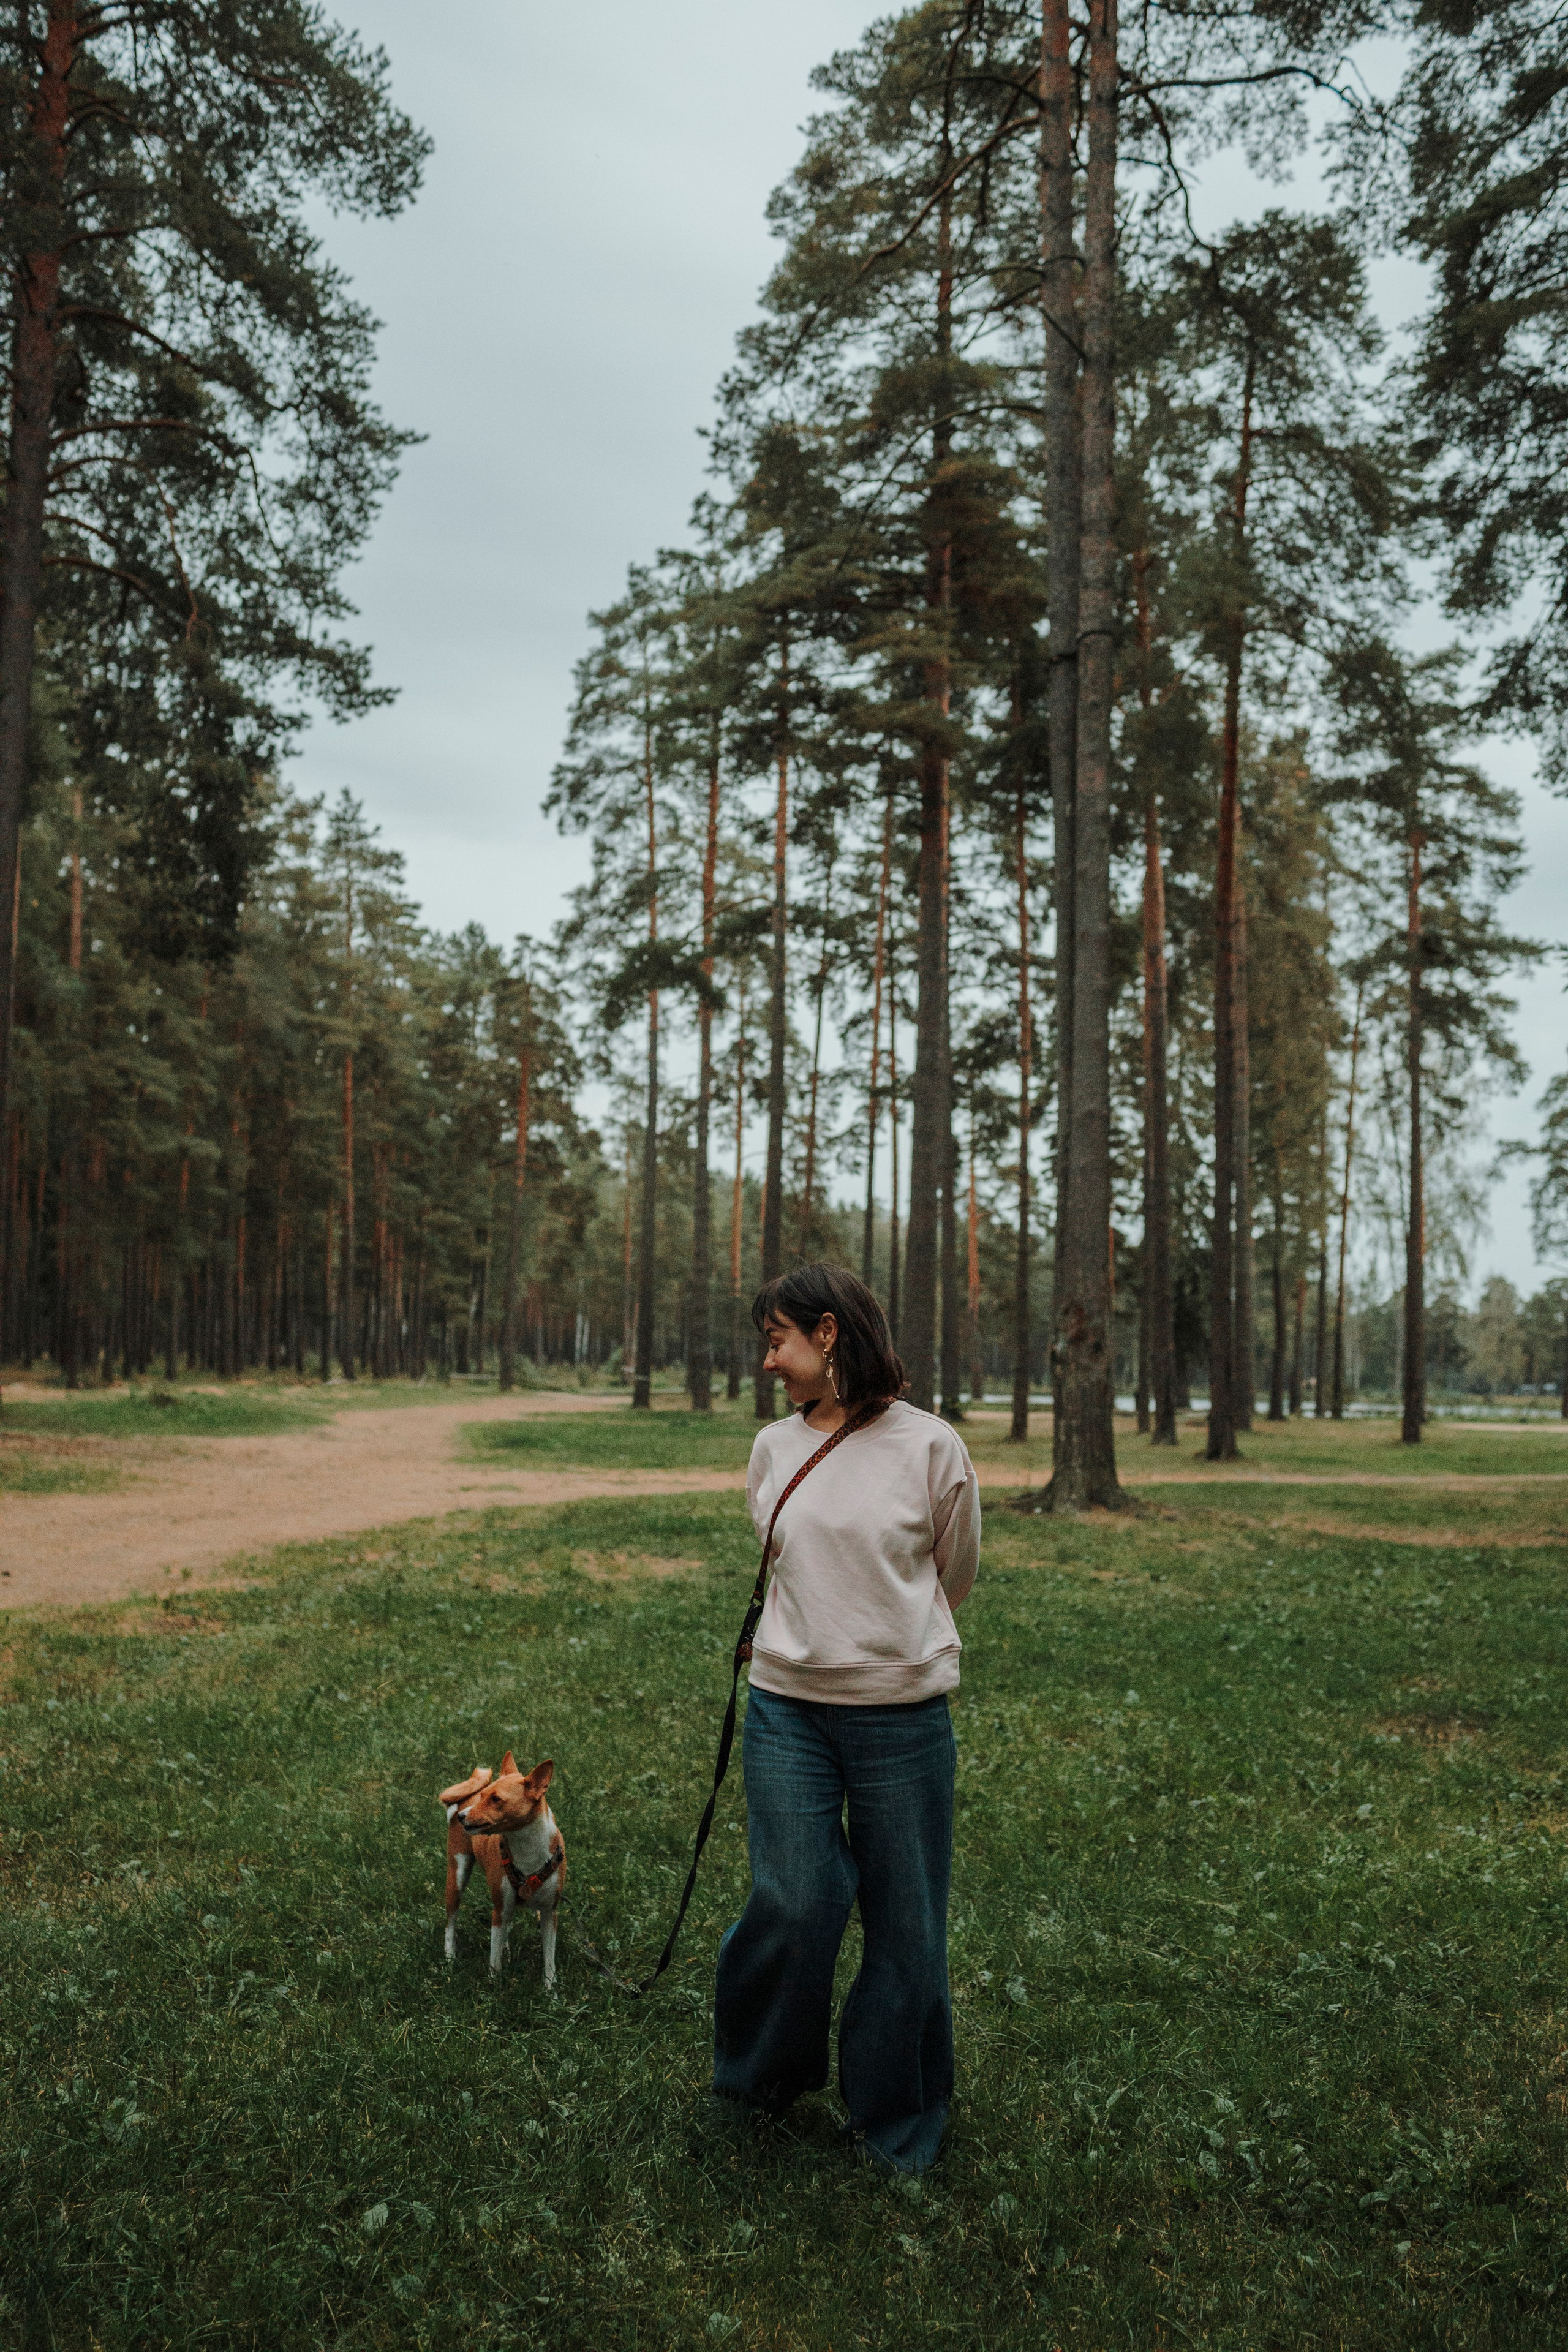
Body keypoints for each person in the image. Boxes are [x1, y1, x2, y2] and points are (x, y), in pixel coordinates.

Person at [712, 1261, 981, 2174]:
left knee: (907, 1923)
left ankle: (896, 2118)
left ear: (828, 1334)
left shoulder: (932, 1447)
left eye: (778, 1339)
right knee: (793, 1899)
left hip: (901, 1722)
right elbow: (783, 1560)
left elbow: (955, 1571)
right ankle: (758, 2085)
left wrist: (885, 1644)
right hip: (786, 1709)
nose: (768, 1361)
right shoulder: (773, 1450)